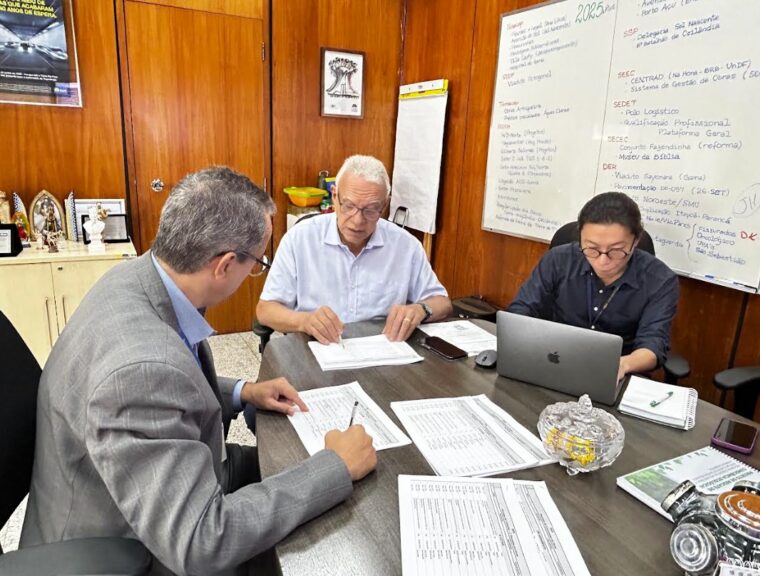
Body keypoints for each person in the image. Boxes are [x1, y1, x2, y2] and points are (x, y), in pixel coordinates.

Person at [20, 167, 377, 576]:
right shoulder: (142, 370)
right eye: (257, 263)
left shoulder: (137, 276)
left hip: (138, 483)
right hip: (119, 544)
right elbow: (201, 542)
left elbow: (165, 384)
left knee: (291, 466)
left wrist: (242, 392)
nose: (255, 273)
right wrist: (336, 467)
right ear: (224, 265)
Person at [256, 154, 452, 344]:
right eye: (349, 206)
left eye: (371, 210)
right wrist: (305, 321)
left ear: (384, 205)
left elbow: (442, 302)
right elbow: (265, 310)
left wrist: (420, 309)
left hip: (382, 349)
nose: (358, 221)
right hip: (316, 348)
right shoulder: (300, 239)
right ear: (335, 197)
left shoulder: (405, 246)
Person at [507, 191, 679, 381]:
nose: (603, 261)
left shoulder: (660, 281)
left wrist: (623, 364)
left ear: (636, 241)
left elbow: (653, 345)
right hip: (554, 359)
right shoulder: (557, 260)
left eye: (616, 250)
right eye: (592, 248)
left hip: (617, 373)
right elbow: (521, 309)